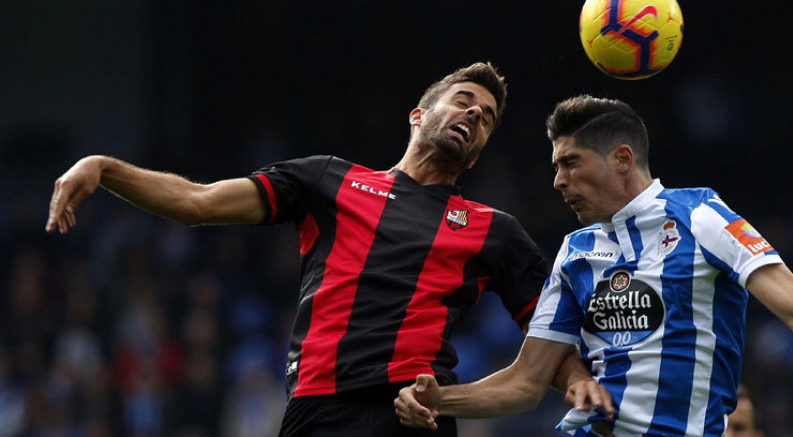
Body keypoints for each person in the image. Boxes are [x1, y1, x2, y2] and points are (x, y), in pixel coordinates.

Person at [44, 62, 572, 436]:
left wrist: (583, 387)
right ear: (418, 115)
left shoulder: (493, 230)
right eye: (464, 100)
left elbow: (553, 342)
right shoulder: (328, 179)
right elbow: (196, 202)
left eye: (486, 117)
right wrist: (104, 168)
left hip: (411, 414)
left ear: (476, 158)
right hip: (315, 411)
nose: (475, 114)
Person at [394, 95, 793, 436]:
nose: (558, 181)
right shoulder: (576, 250)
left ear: (622, 158)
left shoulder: (701, 215)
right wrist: (439, 401)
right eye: (554, 167)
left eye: (570, 163)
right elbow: (526, 381)